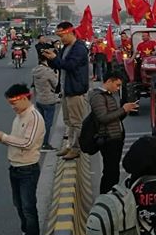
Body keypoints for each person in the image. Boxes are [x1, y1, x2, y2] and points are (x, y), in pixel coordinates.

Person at [0, 83, 45, 235]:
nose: (12, 107)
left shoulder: (34, 117)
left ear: (24, 98)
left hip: (28, 169)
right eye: (10, 103)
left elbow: (27, 143)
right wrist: (2, 139)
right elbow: (17, 140)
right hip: (15, 167)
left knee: (28, 207)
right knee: (19, 205)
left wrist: (4, 137)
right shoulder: (19, 116)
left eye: (14, 103)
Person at [43, 21, 90, 160]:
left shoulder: (79, 48)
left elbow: (70, 65)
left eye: (62, 35)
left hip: (76, 91)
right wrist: (50, 58)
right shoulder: (66, 47)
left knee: (76, 122)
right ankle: (69, 145)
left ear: (69, 32)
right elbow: (60, 65)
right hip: (66, 89)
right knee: (68, 121)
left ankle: (77, 148)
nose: (60, 39)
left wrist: (55, 58)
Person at [89, 69, 139, 193]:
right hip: (108, 140)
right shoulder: (98, 97)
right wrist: (123, 109)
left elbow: (115, 117)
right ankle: (106, 196)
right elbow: (103, 118)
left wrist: (126, 110)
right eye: (117, 85)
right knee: (110, 172)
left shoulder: (109, 96)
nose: (118, 88)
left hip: (115, 138)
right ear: (109, 81)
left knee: (113, 171)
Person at [32, 49, 60, 150]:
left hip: (39, 99)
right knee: (48, 124)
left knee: (41, 123)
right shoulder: (48, 71)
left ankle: (39, 142)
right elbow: (56, 85)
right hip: (48, 100)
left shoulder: (35, 70)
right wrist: (56, 75)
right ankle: (45, 143)